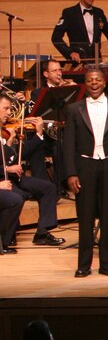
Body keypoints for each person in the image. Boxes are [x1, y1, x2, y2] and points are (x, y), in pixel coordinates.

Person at [62, 68, 108, 277]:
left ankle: (107, 265)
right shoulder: (74, 109)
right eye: (90, 80)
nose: (94, 83)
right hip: (85, 167)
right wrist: (71, 173)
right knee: (85, 217)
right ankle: (84, 265)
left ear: (104, 83)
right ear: (85, 83)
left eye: (98, 80)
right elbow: (69, 145)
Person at [0, 96, 63, 247]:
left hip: (14, 176)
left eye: (10, 108)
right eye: (5, 109)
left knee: (48, 188)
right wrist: (7, 167)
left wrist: (38, 134)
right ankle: (7, 235)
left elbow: (21, 154)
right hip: (3, 178)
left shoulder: (5, 131)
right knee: (18, 196)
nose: (9, 113)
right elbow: (7, 162)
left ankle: (42, 233)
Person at [52, 0, 108, 64]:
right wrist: (69, 52)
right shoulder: (69, 13)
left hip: (96, 62)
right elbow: (56, 37)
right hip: (78, 62)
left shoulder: (99, 12)